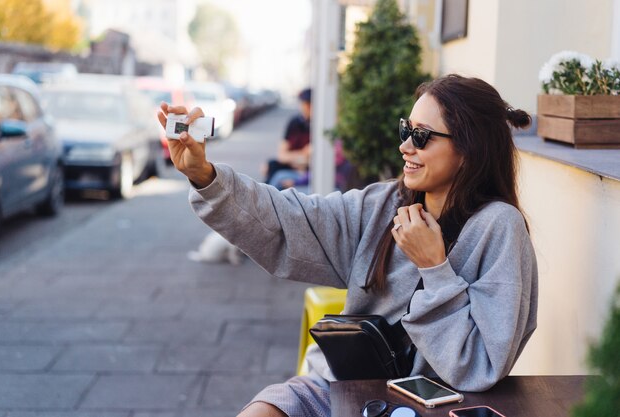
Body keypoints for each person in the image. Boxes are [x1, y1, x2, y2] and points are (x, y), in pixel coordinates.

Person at [156, 74, 538, 417]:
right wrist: (204, 175)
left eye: (421, 136)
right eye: (406, 129)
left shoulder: (499, 229)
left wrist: (434, 268)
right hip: (339, 388)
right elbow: (291, 219)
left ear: (469, 149)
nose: (406, 146)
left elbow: (480, 365)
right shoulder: (384, 205)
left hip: (429, 407)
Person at [263, 88, 312, 188]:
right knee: (271, 165)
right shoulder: (295, 123)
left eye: (308, 104)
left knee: (278, 178)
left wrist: (294, 158)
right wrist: (300, 155)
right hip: (292, 165)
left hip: (306, 171)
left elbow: (310, 157)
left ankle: (267, 199)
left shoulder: (318, 126)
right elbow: (282, 155)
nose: (305, 107)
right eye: (304, 104)